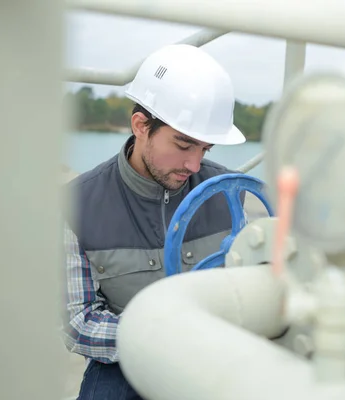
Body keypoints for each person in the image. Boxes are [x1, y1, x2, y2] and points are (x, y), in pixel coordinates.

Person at [61, 44, 247, 399]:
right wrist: (161, 337)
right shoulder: (75, 206)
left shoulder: (229, 192)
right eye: (183, 145)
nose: (194, 166)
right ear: (141, 125)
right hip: (129, 360)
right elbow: (79, 322)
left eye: (205, 150)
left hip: (218, 356)